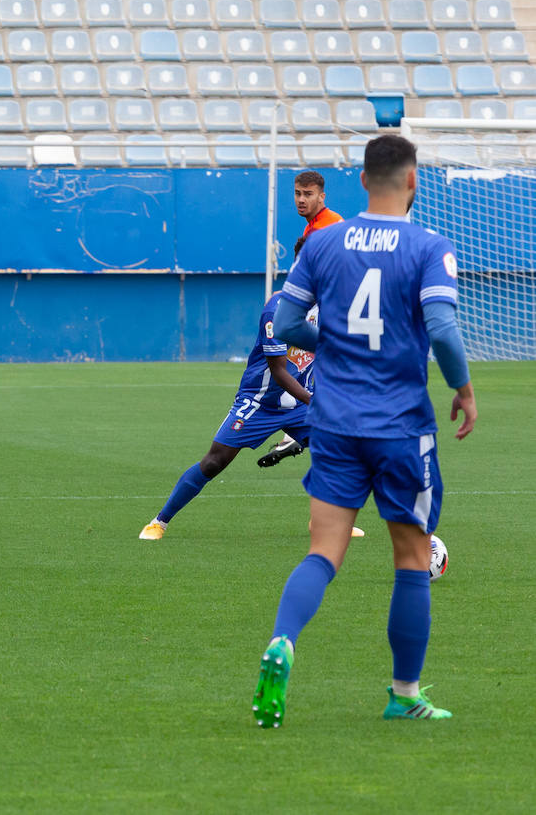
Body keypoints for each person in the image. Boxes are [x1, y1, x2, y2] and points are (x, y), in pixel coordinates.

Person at [251, 135, 477, 727]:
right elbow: (445, 330)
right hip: (401, 426)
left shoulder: (323, 242)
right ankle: (404, 693)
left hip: (335, 422)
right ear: (412, 182)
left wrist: (335, 342)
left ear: (359, 183)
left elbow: (285, 322)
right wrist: (463, 388)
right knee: (409, 557)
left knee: (323, 551)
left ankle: (283, 642)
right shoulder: (428, 245)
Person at [138, 290, 315, 541]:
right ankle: (159, 522)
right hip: (259, 401)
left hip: (302, 402)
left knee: (340, 451)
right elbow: (278, 371)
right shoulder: (278, 310)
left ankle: (325, 522)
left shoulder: (332, 303)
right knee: (214, 462)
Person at [258, 170, 345, 468]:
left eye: (308, 194)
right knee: (306, 363)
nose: (301, 199)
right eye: (297, 193)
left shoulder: (327, 228)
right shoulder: (314, 229)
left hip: (339, 306)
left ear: (322, 196)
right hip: (327, 305)